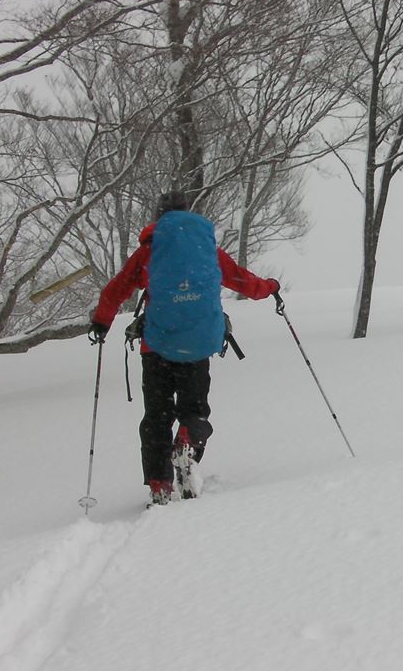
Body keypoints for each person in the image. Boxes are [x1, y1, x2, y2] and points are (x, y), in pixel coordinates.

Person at [89, 191, 280, 504]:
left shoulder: (150, 250)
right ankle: (187, 441)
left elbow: (117, 288)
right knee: (194, 410)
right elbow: (241, 280)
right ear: (188, 213)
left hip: (157, 347)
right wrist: (270, 287)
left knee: (156, 417)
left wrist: (101, 322)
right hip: (198, 344)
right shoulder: (206, 249)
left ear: (159, 217)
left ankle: (159, 486)